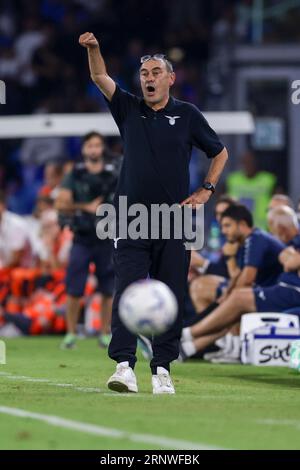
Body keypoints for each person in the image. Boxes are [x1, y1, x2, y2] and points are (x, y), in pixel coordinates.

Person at [79, 32, 228, 394]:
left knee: (172, 295)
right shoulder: (129, 108)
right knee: (127, 291)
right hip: (130, 218)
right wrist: (96, 49)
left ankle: (162, 369)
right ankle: (124, 366)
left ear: (170, 79)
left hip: (175, 220)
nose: (148, 78)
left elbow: (219, 152)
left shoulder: (188, 114)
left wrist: (206, 190)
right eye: (144, 73)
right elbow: (100, 78)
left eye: (156, 72)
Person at [181, 207, 300, 354]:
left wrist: (228, 293)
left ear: (242, 224)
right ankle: (189, 347)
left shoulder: (256, 238)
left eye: (227, 225)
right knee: (229, 298)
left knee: (236, 298)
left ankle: (186, 334)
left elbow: (247, 279)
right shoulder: (244, 242)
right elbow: (238, 275)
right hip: (278, 288)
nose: (223, 231)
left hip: (288, 290)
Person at [56, 131, 117, 349]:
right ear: (84, 149)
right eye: (89, 145)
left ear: (102, 148)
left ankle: (106, 333)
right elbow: (61, 204)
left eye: (97, 145)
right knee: (74, 287)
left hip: (106, 237)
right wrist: (86, 207)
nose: (94, 149)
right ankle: (71, 333)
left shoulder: (114, 173)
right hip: (81, 237)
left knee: (108, 288)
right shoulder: (75, 173)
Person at [226, 150, 276, 229]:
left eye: (251, 162)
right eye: (246, 162)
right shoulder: (232, 180)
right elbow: (222, 201)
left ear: (257, 163)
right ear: (242, 163)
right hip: (237, 230)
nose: (249, 165)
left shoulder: (268, 180)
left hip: (262, 229)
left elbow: (278, 203)